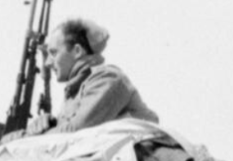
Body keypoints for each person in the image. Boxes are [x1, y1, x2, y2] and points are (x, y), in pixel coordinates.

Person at [29, 17, 159, 134]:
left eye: (53, 53)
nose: (47, 62)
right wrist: (49, 124)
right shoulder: (78, 89)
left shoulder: (107, 79)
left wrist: (28, 137)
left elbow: (76, 133)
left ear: (77, 51)